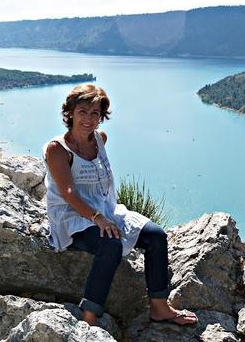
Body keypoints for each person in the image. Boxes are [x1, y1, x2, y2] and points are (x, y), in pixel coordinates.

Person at [42, 83, 198, 326]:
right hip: (72, 217)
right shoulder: (57, 149)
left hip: (106, 211)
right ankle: (90, 316)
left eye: (95, 113)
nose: (89, 119)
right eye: (83, 111)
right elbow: (69, 193)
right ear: (69, 112)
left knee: (156, 235)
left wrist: (104, 215)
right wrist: (97, 219)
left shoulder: (100, 139)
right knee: (111, 244)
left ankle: (159, 307)